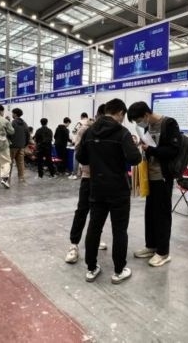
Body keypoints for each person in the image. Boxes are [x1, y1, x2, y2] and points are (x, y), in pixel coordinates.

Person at [77, 98, 141, 284]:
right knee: (119, 230)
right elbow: (135, 159)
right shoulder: (122, 132)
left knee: (94, 227)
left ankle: (91, 268)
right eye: (123, 116)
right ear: (120, 113)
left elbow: (81, 157)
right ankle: (119, 271)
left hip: (96, 187)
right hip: (118, 188)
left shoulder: (89, 131)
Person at [127, 101, 181, 268]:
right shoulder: (147, 127)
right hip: (149, 176)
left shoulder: (169, 123)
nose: (138, 124)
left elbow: (173, 150)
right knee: (150, 212)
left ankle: (163, 252)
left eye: (138, 120)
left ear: (146, 115)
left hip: (162, 177)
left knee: (162, 214)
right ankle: (151, 246)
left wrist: (150, 150)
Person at [65, 105, 107, 264]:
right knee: (82, 210)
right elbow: (78, 150)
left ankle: (95, 238)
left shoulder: (111, 131)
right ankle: (73, 245)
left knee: (99, 212)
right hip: (88, 176)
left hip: (104, 178)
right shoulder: (85, 130)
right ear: (99, 116)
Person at [9, 108, 30, 183]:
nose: (12, 114)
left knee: (10, 162)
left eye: (12, 113)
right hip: (21, 146)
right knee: (20, 162)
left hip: (12, 146)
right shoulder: (24, 123)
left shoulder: (13, 123)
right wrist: (24, 144)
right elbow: (28, 135)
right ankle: (21, 177)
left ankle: (8, 177)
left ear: (15, 114)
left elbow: (9, 134)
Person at [69, 112, 89, 179]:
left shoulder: (80, 122)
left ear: (81, 116)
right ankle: (84, 173)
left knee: (76, 158)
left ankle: (74, 174)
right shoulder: (90, 122)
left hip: (79, 143)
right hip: (88, 143)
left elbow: (74, 131)